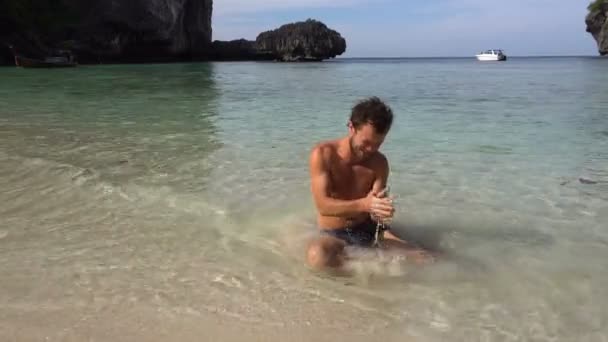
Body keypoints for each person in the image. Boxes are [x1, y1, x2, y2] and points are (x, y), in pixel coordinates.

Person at [306, 96, 434, 271]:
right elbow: (323, 206)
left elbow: (376, 210)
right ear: (351, 127)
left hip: (369, 229)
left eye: (378, 144)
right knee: (318, 256)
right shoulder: (323, 155)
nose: (371, 150)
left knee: (425, 258)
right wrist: (365, 204)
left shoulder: (379, 163)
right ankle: (358, 281)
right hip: (334, 233)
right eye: (366, 143)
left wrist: (382, 209)